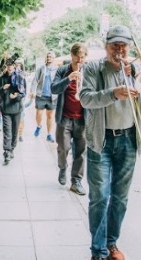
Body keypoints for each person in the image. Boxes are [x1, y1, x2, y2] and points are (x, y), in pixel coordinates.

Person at [79, 25, 141, 260]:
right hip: (101, 141)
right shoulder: (94, 67)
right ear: (106, 47)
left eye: (123, 45)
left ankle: (111, 243)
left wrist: (138, 73)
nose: (119, 50)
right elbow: (85, 99)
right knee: (100, 197)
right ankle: (98, 250)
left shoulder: (134, 70)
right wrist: (113, 93)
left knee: (120, 197)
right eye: (115, 45)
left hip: (127, 139)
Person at [51, 42, 88, 195]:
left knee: (80, 151)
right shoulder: (62, 70)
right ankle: (62, 168)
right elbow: (54, 88)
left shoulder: (89, 71)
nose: (79, 61)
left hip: (82, 119)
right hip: (64, 118)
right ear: (71, 55)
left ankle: (76, 180)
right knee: (63, 148)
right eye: (77, 57)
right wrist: (68, 79)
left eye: (82, 57)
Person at [0, 59, 26, 164]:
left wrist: (17, 96)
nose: (9, 67)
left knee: (14, 131)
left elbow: (23, 92)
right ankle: (7, 151)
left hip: (17, 108)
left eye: (11, 65)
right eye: (7, 65)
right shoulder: (1, 78)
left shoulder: (20, 77)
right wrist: (3, 88)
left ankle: (12, 148)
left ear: (14, 65)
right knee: (7, 131)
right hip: (5, 109)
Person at [30, 51, 58, 142]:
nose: (49, 58)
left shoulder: (57, 69)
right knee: (39, 114)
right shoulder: (41, 69)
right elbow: (35, 80)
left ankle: (49, 134)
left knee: (50, 116)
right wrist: (32, 91)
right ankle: (39, 126)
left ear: (54, 58)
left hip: (52, 96)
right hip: (41, 95)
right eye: (47, 56)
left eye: (50, 57)